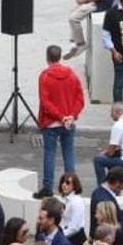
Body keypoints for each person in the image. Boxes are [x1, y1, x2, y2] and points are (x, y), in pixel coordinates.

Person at [36, 44, 85, 196]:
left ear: (47, 58)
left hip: (51, 122)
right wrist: (71, 115)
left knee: (49, 154)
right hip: (69, 122)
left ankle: (47, 187)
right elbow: (80, 98)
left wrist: (60, 117)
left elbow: (46, 102)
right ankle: (71, 187)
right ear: (59, 56)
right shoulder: (72, 75)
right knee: (68, 153)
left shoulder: (45, 76)